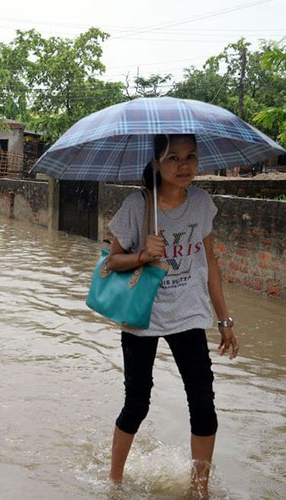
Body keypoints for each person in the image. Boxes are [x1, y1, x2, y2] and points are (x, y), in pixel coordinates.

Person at [106, 134, 239, 498]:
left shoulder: (202, 203)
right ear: (155, 165)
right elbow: (109, 263)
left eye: (191, 157)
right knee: (137, 402)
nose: (184, 166)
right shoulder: (137, 206)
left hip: (189, 315)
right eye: (172, 158)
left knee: (203, 402)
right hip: (142, 316)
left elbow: (210, 263)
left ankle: (200, 490)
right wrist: (141, 256)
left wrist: (225, 321)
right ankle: (114, 482)